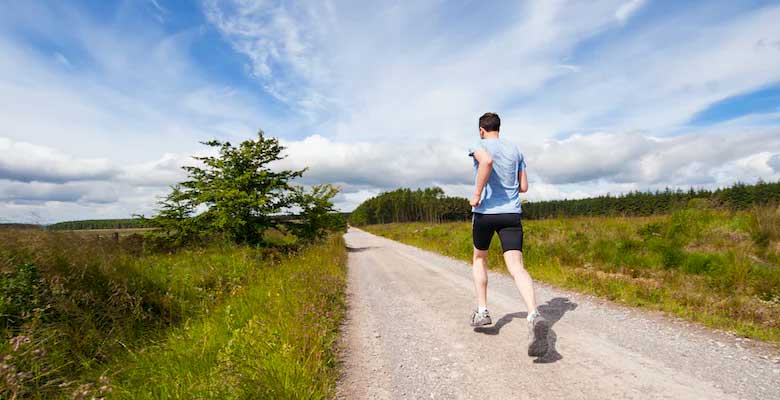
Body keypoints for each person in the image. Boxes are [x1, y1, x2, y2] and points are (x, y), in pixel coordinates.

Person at [467, 112, 548, 356]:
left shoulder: (479, 145)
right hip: (511, 214)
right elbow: (523, 187)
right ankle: (533, 314)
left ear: (482, 130)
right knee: (516, 266)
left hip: (485, 214)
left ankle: (482, 311)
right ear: (498, 128)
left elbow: (487, 162)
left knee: (480, 258)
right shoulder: (515, 150)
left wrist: (477, 194)